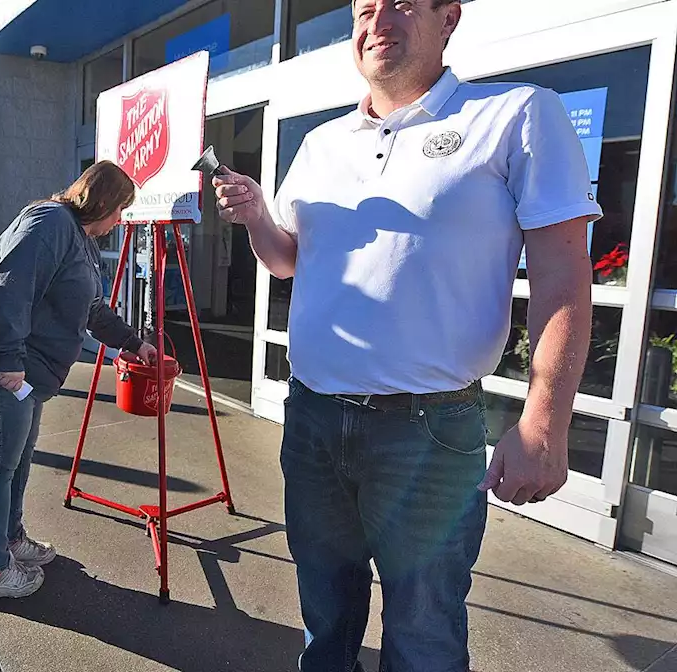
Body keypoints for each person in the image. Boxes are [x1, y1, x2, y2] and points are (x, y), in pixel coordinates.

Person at [213, 1, 600, 669]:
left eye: (402, 4)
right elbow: (287, 260)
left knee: (423, 629)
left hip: (430, 431)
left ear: (448, 18)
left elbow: (563, 278)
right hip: (312, 419)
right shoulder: (321, 143)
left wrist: (543, 424)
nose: (378, 19)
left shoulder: (515, 114)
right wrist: (256, 217)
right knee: (324, 614)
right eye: (365, 9)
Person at [0, 161, 160, 601]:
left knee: (16, 461)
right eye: (119, 211)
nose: (120, 221)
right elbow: (10, 286)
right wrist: (9, 358)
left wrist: (133, 343)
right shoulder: (50, 221)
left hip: (25, 372)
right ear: (102, 201)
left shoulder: (81, 238)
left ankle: (11, 540)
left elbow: (93, 311)